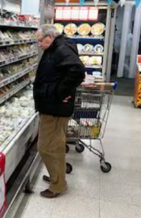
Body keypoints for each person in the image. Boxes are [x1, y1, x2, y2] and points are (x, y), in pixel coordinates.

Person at [33, 24, 85, 198]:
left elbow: (77, 71)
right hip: (53, 106)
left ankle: (58, 186)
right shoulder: (57, 46)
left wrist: (59, 92)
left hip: (54, 109)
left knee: (47, 147)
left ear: (50, 37)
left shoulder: (61, 49)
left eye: (40, 41)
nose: (38, 44)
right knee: (55, 145)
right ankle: (57, 177)